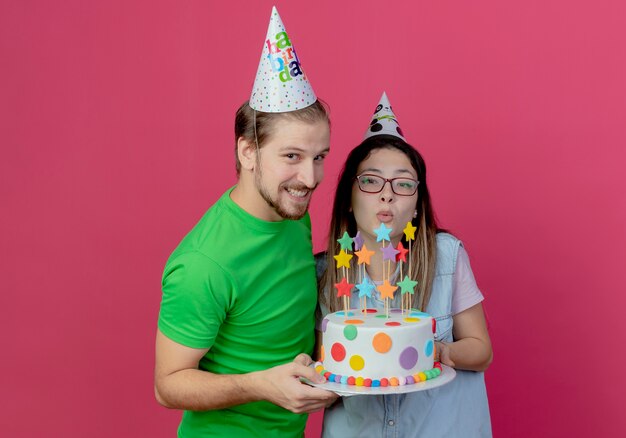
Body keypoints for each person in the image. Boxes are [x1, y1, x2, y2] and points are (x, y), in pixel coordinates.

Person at [155, 8, 337, 437]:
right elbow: (167, 385)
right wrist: (260, 385)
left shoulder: (293, 212)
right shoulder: (205, 262)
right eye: (291, 156)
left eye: (319, 158)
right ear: (248, 152)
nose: (310, 179)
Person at [316, 92, 493, 437]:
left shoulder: (446, 256)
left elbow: (481, 350)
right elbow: (320, 373)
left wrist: (436, 351)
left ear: (416, 205)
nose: (387, 194)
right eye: (370, 180)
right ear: (348, 199)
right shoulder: (323, 274)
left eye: (403, 183)